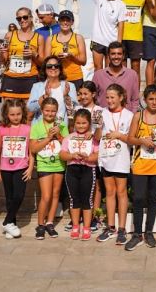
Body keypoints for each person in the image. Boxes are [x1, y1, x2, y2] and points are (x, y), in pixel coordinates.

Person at [125, 85, 156, 251]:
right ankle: (137, 233)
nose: (154, 102)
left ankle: (149, 232)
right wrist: (142, 141)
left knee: (153, 199)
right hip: (140, 164)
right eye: (151, 99)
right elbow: (130, 138)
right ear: (145, 100)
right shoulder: (138, 116)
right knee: (138, 198)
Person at [93, 0, 156, 82]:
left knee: (135, 68)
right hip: (120, 36)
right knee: (121, 68)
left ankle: (135, 98)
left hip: (136, 36)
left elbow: (154, 14)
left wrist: (155, 0)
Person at [96, 84, 134, 245]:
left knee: (121, 192)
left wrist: (119, 135)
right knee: (109, 192)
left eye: (112, 97)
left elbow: (132, 140)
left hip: (121, 158)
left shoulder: (129, 115)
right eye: (107, 97)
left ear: (121, 97)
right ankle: (111, 227)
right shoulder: (101, 113)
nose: (109, 100)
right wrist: (98, 125)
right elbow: (97, 137)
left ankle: (122, 228)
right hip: (106, 158)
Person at [30, 97, 69, 240]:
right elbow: (33, 148)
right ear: (42, 110)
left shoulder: (62, 125)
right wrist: (48, 138)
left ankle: (50, 223)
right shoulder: (36, 126)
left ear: (57, 112)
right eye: (47, 110)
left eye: (53, 111)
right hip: (44, 164)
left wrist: (58, 134)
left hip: (58, 163)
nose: (50, 113)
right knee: (45, 196)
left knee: (55, 194)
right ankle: (40, 224)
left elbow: (66, 144)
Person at [0, 99, 33, 239]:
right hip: (5, 168)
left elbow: (31, 151)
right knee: (9, 197)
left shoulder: (28, 129)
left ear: (22, 113)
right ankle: (12, 224)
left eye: (18, 114)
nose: (15, 117)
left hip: (21, 167)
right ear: (6, 114)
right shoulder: (1, 129)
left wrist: (30, 168)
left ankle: (6, 221)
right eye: (12, 114)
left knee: (19, 195)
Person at [60, 108, 100, 241]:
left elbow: (97, 155)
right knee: (74, 199)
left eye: (84, 123)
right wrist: (72, 155)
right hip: (72, 170)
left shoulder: (92, 138)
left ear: (89, 123)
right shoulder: (69, 138)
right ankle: (76, 226)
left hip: (88, 169)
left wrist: (87, 158)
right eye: (78, 123)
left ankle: (87, 227)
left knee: (87, 200)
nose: (81, 126)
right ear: (74, 123)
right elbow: (62, 154)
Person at [74, 81, 104, 231]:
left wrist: (92, 133)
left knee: (96, 185)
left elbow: (100, 133)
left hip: (94, 151)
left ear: (93, 94)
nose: (82, 96)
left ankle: (94, 216)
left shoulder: (99, 110)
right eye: (80, 94)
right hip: (78, 153)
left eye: (86, 94)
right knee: (79, 186)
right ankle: (78, 216)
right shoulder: (77, 109)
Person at [0, 7, 45, 101]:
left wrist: (34, 54)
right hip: (11, 78)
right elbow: (4, 61)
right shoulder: (9, 35)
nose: (22, 20)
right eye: (19, 18)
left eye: (25, 17)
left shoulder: (39, 37)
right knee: (10, 112)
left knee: (28, 113)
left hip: (30, 78)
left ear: (31, 18)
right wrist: (1, 52)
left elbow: (42, 63)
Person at [27, 55, 77, 123]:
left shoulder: (70, 86)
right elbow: (30, 108)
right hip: (41, 128)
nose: (53, 68)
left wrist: (66, 96)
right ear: (45, 69)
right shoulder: (37, 86)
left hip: (61, 128)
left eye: (56, 66)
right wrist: (45, 96)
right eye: (49, 66)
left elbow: (73, 112)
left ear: (60, 68)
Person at [92, 41, 139, 113]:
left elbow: (135, 100)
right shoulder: (98, 75)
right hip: (104, 119)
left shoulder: (132, 75)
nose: (116, 57)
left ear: (123, 56)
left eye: (119, 54)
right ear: (108, 56)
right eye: (113, 54)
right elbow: (93, 98)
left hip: (126, 120)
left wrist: (131, 117)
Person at [45, 10, 87, 89]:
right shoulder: (50, 39)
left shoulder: (78, 38)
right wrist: (56, 58)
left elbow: (83, 61)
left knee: (75, 101)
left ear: (72, 22)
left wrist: (71, 57)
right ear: (59, 22)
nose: (65, 22)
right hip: (56, 77)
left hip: (75, 77)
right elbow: (46, 62)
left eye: (68, 20)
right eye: (62, 20)